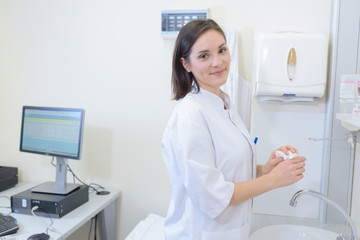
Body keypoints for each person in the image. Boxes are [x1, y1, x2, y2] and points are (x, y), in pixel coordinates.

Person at [161, 19, 306, 240]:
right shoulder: (190, 116)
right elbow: (211, 194)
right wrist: (274, 180)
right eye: (204, 56)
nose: (217, 62)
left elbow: (227, 171)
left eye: (222, 50)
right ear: (186, 64)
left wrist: (266, 169)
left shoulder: (223, 102)